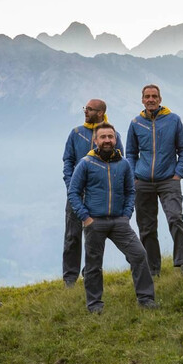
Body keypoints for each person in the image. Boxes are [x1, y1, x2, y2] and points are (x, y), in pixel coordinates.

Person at [68, 123, 157, 313]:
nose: (107, 140)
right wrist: (85, 217)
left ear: (115, 139)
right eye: (103, 137)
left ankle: (146, 299)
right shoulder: (86, 163)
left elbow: (130, 191)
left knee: (139, 254)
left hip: (119, 222)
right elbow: (73, 192)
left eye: (111, 137)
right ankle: (95, 305)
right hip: (94, 222)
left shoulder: (123, 164)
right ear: (95, 141)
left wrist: (126, 215)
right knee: (93, 264)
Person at [126, 84, 183, 277]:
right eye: (147, 96)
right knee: (146, 227)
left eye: (154, 96)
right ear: (142, 100)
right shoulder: (136, 123)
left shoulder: (173, 120)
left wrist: (179, 173)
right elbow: (130, 153)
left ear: (160, 99)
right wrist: (134, 176)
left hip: (168, 180)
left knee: (175, 218)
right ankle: (153, 269)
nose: (150, 99)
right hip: (143, 182)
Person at [60, 99, 117, 288]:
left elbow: (119, 160)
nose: (86, 111)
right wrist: (70, 186)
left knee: (95, 237)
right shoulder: (76, 133)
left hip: (99, 196)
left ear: (100, 113)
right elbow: (68, 161)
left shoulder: (110, 134)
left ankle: (90, 272)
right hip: (76, 194)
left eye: (90, 109)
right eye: (85, 108)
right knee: (72, 235)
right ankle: (69, 278)